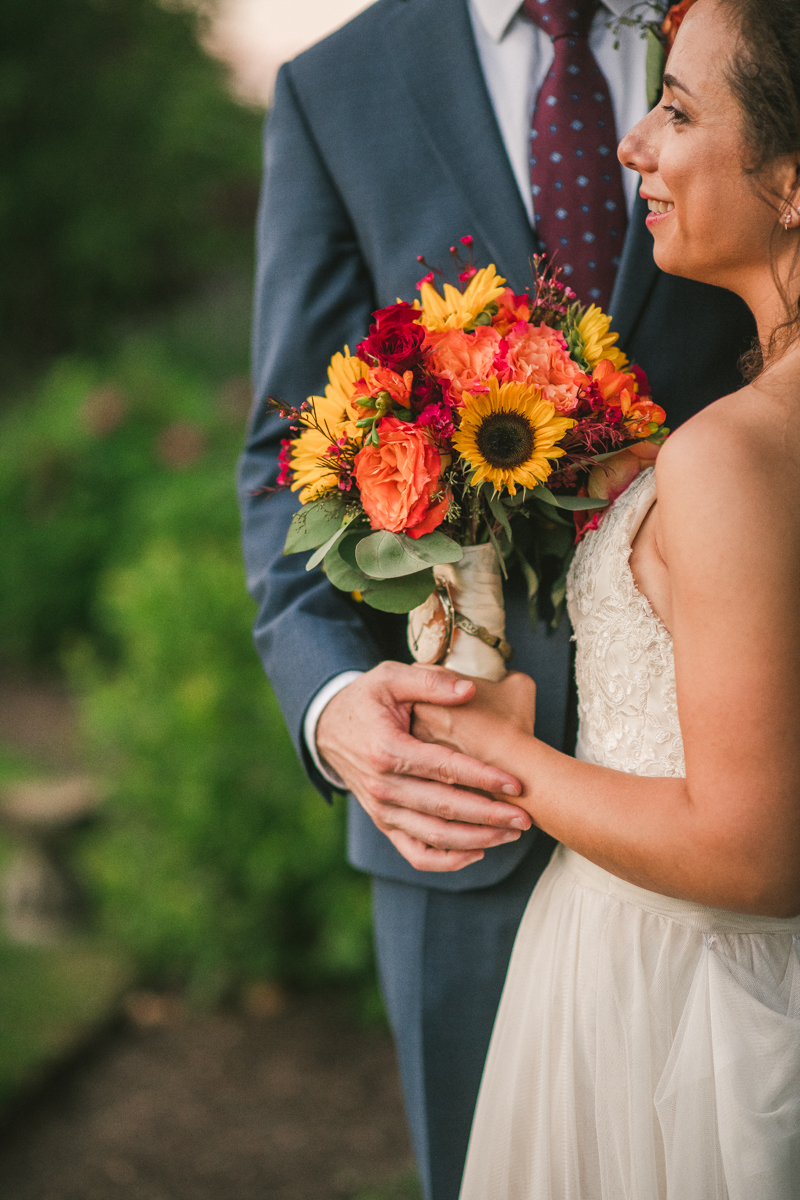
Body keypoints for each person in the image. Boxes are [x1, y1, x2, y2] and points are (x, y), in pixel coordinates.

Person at [237, 1, 754, 1196]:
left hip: (724, 782)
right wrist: (330, 706)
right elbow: (283, 456)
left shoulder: (741, 31)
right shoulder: (338, 86)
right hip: (451, 817)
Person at [410, 1, 800, 1194]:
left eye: (677, 110)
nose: (632, 144)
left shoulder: (735, 456)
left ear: (791, 183)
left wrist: (497, 755)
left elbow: (753, 853)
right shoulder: (734, 440)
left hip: (671, 998)